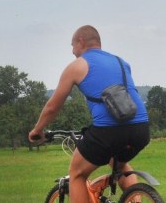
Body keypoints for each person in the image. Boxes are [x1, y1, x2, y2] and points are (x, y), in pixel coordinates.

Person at [29, 25, 151, 203]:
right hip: (141, 128)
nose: (72, 51)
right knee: (119, 163)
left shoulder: (77, 66)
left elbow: (52, 107)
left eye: (72, 45)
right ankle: (136, 200)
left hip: (109, 131)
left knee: (77, 174)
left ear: (80, 42)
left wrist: (37, 130)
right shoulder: (121, 62)